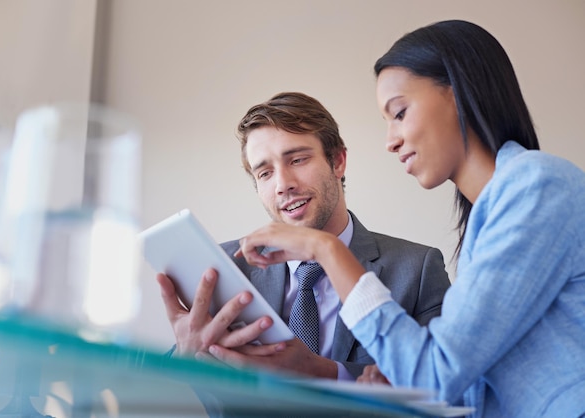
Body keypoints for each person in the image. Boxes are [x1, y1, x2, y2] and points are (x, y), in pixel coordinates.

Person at [216, 20, 585, 418]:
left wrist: (324, 249)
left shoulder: (536, 187)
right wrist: (377, 389)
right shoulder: (491, 218)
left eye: (400, 112)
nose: (390, 140)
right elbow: (470, 391)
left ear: (458, 93)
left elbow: (436, 374)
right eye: (264, 172)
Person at [156, 91, 451, 381]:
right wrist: (184, 359)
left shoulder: (418, 269)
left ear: (338, 161)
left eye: (297, 160)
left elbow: (442, 385)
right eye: (265, 173)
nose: (283, 185)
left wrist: (324, 372)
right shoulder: (223, 267)